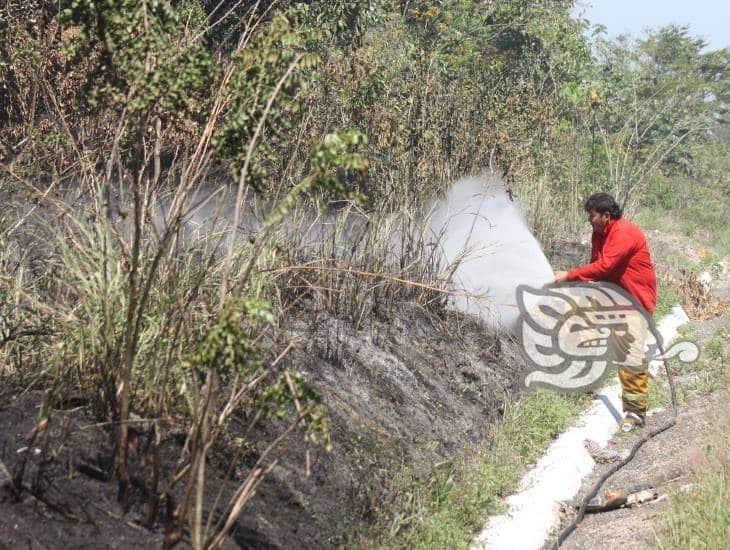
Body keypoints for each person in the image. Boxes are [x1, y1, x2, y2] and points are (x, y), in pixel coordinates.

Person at [554, 192, 657, 432]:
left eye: (592, 216)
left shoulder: (624, 233)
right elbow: (596, 265)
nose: (589, 220)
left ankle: (635, 412)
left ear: (606, 216)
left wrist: (568, 275)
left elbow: (605, 265)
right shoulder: (598, 234)